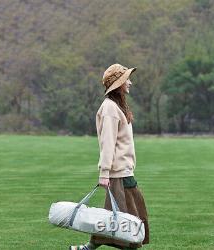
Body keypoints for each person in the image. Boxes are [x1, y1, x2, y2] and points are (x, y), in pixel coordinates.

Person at [69, 64, 150, 250]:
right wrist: (104, 173)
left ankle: (87, 248)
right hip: (118, 173)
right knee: (127, 218)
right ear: (118, 84)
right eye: (126, 79)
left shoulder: (117, 106)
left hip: (124, 171)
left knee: (115, 216)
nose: (130, 82)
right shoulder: (110, 108)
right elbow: (108, 143)